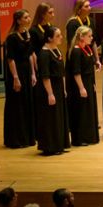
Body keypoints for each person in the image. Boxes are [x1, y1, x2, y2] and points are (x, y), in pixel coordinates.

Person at [3, 8, 36, 148]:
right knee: (17, 105)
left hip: (27, 71)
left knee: (27, 103)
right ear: (18, 21)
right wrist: (15, 78)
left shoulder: (27, 34)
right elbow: (10, 59)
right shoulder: (12, 37)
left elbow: (30, 55)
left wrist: (33, 73)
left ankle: (28, 137)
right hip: (16, 73)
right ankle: (16, 139)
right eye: (25, 17)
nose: (29, 19)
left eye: (29, 17)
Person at [35, 26, 70, 156]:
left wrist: (64, 89)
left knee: (59, 116)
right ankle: (50, 146)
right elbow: (45, 76)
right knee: (50, 118)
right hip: (49, 88)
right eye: (58, 36)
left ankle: (59, 144)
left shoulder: (57, 50)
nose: (61, 37)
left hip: (58, 87)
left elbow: (62, 72)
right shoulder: (44, 54)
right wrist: (50, 94)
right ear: (49, 38)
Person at [67, 25, 100, 146]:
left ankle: (89, 136)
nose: (91, 38)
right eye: (89, 36)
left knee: (89, 110)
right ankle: (80, 138)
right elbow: (76, 72)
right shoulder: (76, 51)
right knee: (81, 111)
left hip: (88, 82)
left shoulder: (87, 48)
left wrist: (92, 84)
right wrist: (81, 88)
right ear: (81, 37)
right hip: (80, 84)